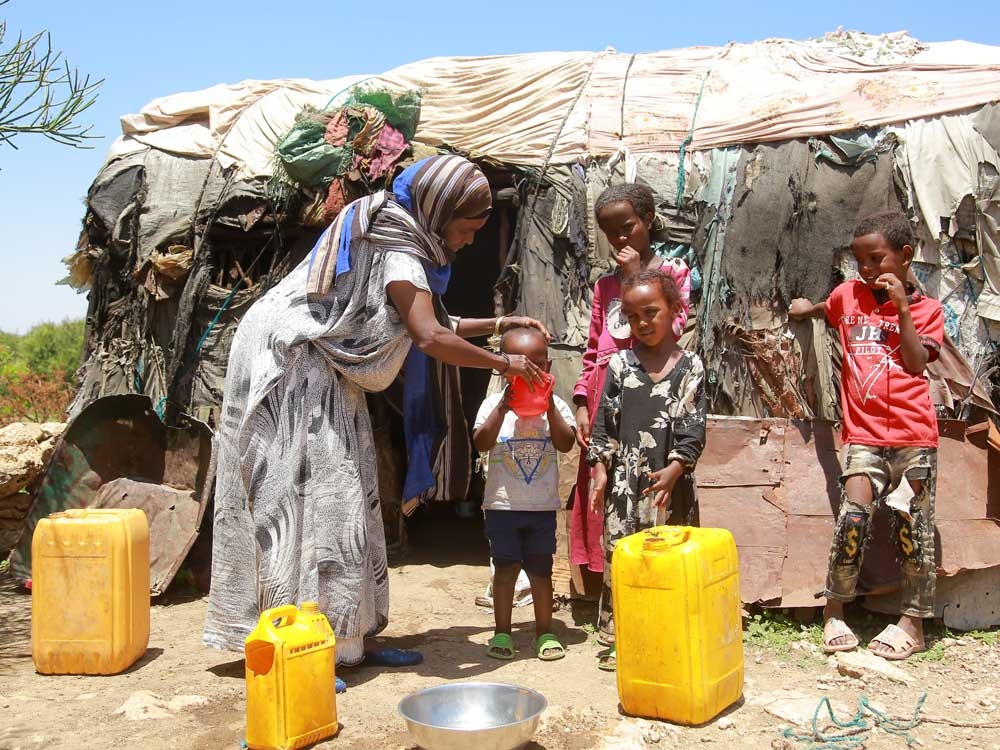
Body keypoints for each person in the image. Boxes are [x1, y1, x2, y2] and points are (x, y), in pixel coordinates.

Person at [203, 155, 550, 688]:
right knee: (305, 502)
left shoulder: (401, 237)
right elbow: (432, 338)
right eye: (467, 227)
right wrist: (504, 362)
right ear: (440, 210)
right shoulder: (400, 251)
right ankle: (300, 650)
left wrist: (502, 323)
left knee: (348, 497)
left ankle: (348, 642)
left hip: (324, 363)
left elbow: (430, 323)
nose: (469, 240)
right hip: (293, 359)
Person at [789, 209, 944, 661]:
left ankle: (913, 623)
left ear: (906, 256)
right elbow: (829, 307)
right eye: (860, 261)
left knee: (913, 529)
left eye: (877, 259)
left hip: (914, 434)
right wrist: (807, 310)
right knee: (853, 518)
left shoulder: (929, 310)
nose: (868, 270)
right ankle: (834, 609)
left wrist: (901, 308)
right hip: (864, 435)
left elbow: (916, 363)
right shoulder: (847, 296)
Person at [570, 183, 691, 586]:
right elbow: (593, 349)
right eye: (610, 233)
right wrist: (584, 402)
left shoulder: (673, 273)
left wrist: (637, 275)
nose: (619, 239)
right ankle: (611, 589)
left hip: (648, 403)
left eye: (626, 227)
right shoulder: (606, 287)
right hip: (606, 400)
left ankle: (653, 584)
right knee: (606, 486)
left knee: (646, 489)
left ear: (648, 220)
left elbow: (672, 328)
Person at [587, 269, 706, 671]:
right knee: (624, 558)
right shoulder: (621, 364)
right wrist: (600, 472)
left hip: (669, 486)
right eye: (633, 316)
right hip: (624, 484)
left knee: (667, 558)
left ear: (675, 309)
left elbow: (693, 428)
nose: (642, 323)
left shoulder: (691, 366)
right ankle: (622, 637)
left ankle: (663, 636)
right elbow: (605, 424)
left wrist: (676, 469)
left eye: (651, 312)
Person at [473, 327, 576, 661]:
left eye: (538, 364)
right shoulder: (493, 404)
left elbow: (565, 442)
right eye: (519, 365)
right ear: (503, 368)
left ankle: (544, 632)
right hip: (502, 507)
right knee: (505, 570)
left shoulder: (557, 405)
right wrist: (504, 407)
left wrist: (547, 407)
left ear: (548, 367)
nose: (530, 372)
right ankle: (502, 633)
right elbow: (481, 442)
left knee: (541, 571)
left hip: (542, 509)